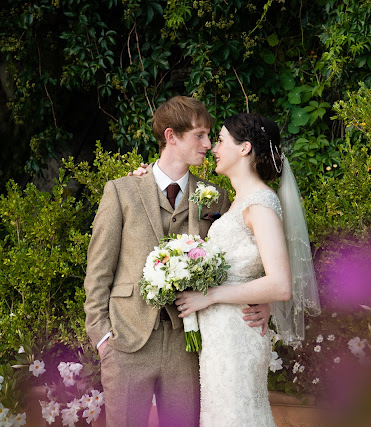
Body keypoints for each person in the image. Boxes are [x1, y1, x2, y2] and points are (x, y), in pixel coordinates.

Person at [83, 97, 271, 426]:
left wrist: (263, 299)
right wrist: (101, 337)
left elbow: (239, 259)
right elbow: (99, 271)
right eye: (199, 135)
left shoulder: (217, 197)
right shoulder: (122, 191)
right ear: (172, 136)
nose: (208, 144)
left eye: (210, 136)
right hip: (128, 340)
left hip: (189, 344)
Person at [138, 112, 321, 425]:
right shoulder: (237, 201)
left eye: (220, 140)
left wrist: (210, 296)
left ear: (245, 148)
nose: (213, 148)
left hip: (238, 337)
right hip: (221, 338)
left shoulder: (260, 204)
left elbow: (280, 284)